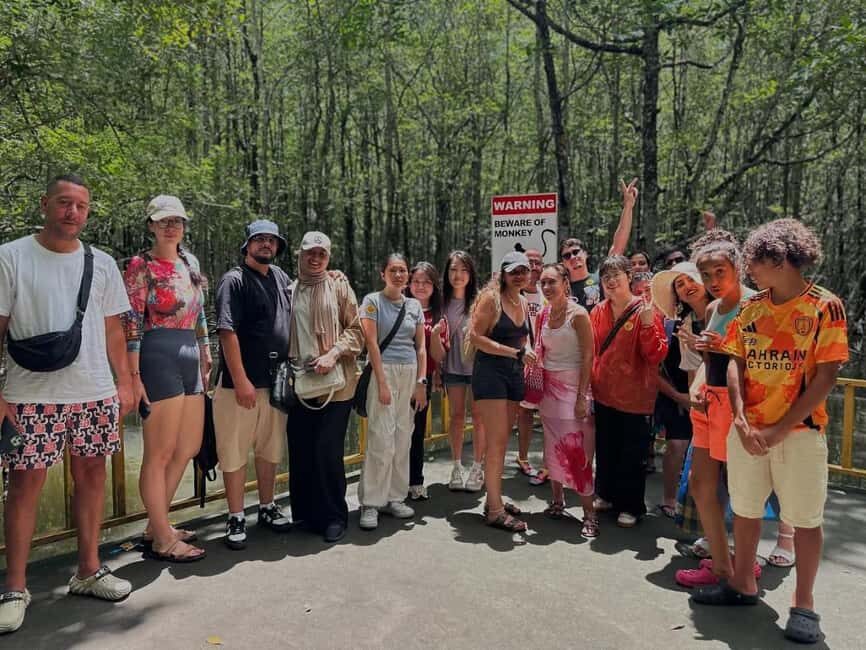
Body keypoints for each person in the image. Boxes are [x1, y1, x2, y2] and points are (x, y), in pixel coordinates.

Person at [694, 219, 847, 646]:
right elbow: (735, 364)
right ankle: (743, 584)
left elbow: (828, 373)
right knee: (745, 509)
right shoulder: (751, 309)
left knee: (805, 519)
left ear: (779, 259)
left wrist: (781, 427)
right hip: (748, 431)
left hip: (799, 433)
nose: (750, 272)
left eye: (754, 264)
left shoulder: (824, 306)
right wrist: (741, 418)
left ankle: (804, 603)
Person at [0, 175, 134, 634]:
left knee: (92, 476)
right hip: (29, 396)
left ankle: (89, 569)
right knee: (25, 485)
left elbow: (115, 328)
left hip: (94, 391)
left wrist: (127, 381)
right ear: (45, 204)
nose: (71, 212)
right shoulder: (11, 256)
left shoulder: (102, 263)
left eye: (80, 205)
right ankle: (15, 587)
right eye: (63, 202)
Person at [123, 195, 210, 562]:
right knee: (158, 454)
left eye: (177, 220)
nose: (171, 226)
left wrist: (206, 351)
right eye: (163, 221)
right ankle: (162, 538)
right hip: (157, 354)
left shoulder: (189, 262)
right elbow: (130, 322)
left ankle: (156, 523)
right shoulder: (141, 265)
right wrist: (133, 374)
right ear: (151, 225)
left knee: (187, 447)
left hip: (190, 352)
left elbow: (201, 311)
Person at [213, 220, 294, 551]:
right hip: (239, 386)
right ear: (246, 245)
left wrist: (331, 277)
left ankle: (266, 506)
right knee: (234, 452)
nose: (266, 245)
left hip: (276, 383)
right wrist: (242, 379)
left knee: (270, 449)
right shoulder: (233, 281)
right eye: (259, 240)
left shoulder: (280, 278)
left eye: (271, 241)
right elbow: (226, 331)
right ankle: (235, 515)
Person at [286, 232, 364, 543]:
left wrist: (333, 353)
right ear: (299, 255)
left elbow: (358, 328)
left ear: (328, 257)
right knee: (301, 448)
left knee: (327, 450)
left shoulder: (339, 286)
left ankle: (334, 516)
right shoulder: (289, 290)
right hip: (300, 383)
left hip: (337, 384)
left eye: (322, 254)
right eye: (310, 253)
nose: (315, 259)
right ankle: (305, 514)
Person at [590, 255, 667, 527]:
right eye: (606, 277)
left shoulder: (644, 309)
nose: (611, 282)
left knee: (632, 453)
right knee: (607, 447)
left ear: (628, 277)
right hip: (603, 391)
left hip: (636, 395)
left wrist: (647, 324)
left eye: (616, 275)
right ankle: (606, 495)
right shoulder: (598, 311)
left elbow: (656, 354)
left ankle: (632, 506)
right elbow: (592, 351)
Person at [358, 254, 427, 531]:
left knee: (403, 437)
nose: (398, 275)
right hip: (383, 369)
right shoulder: (372, 301)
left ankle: (395, 497)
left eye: (403, 271)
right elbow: (372, 344)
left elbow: (420, 346)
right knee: (380, 437)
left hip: (410, 372)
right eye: (393, 270)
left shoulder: (414, 306)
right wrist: (382, 382)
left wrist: (421, 382)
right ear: (382, 273)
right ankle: (371, 502)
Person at [469, 252, 537, 532]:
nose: (519, 275)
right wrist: (515, 352)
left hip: (513, 375)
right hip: (491, 374)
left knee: (502, 440)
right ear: (504, 274)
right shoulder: (491, 299)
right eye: (513, 271)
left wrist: (527, 350)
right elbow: (475, 337)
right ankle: (495, 511)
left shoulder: (522, 300)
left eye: (523, 270)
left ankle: (492, 498)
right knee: (496, 443)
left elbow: (524, 339)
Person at [535, 264, 598, 538]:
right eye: (543, 283)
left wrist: (583, 396)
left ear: (565, 282)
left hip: (573, 389)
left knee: (575, 452)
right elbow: (539, 347)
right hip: (548, 389)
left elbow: (588, 357)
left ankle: (589, 514)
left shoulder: (580, 314)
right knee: (551, 445)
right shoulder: (544, 312)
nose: (547, 288)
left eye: (552, 282)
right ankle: (558, 501)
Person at [650, 262, 709, 517]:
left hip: (725, 399)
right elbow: (688, 367)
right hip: (687, 398)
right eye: (679, 284)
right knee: (678, 447)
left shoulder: (729, 312)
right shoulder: (681, 324)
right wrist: (686, 399)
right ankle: (671, 500)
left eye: (689, 280)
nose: (686, 287)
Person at [429, 251, 485, 492]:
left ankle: (477, 467)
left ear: (471, 274)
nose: (458, 275)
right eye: (453, 269)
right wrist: (436, 370)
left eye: (463, 270)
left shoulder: (481, 300)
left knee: (480, 417)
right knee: (457, 416)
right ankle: (456, 466)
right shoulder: (440, 302)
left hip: (479, 368)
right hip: (452, 367)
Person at [560, 177, 637, 310]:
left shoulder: (600, 277)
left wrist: (628, 207)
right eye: (567, 255)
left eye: (576, 252)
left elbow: (618, 245)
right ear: (563, 262)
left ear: (586, 254)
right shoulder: (562, 288)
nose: (573, 257)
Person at [405, 261, 443, 501]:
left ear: (434, 286)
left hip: (422, 379)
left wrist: (437, 336)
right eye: (416, 281)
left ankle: (415, 481)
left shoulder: (438, 314)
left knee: (416, 432)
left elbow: (440, 355)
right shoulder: (399, 306)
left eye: (426, 282)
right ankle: (393, 481)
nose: (420, 286)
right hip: (396, 377)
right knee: (394, 431)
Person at [517, 248, 548, 483]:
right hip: (515, 361)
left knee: (547, 413)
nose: (535, 266)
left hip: (545, 362)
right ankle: (522, 457)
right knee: (522, 411)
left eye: (538, 262)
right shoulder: (511, 293)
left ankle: (549, 463)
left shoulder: (547, 293)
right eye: (530, 262)